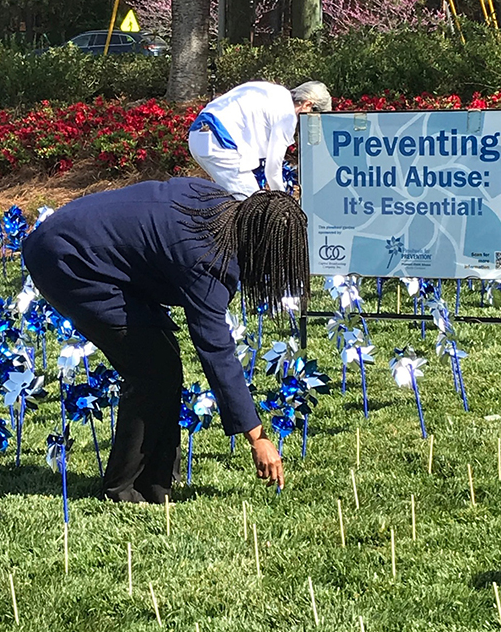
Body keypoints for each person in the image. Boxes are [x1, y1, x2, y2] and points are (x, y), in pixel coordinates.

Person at [22, 177, 311, 504]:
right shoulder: (209, 259)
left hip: (79, 239)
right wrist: (258, 438)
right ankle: (122, 490)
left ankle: (156, 484)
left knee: (162, 363)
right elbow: (217, 353)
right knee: (151, 371)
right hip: (67, 259)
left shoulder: (216, 205)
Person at [188, 80, 332, 199]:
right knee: (254, 207)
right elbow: (272, 169)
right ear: (307, 104)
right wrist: (284, 201)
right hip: (219, 142)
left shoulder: (275, 91)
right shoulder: (287, 116)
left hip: (199, 134)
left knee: (239, 203)